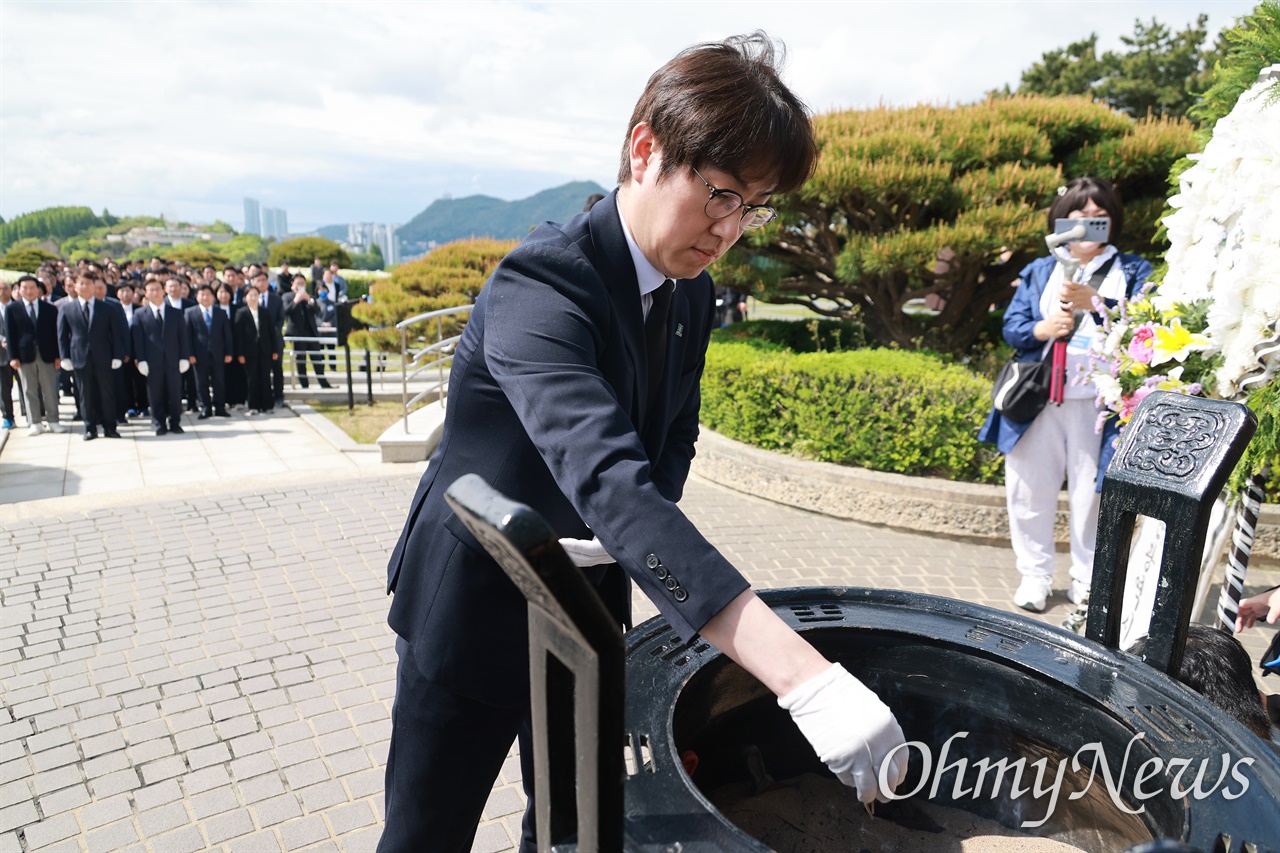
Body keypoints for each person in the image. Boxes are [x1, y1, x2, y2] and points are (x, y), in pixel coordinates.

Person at [378, 33, 906, 853]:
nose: (730, 229)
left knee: (574, 826)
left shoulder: (691, 291)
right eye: (721, 194)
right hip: (474, 606)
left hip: (587, 606)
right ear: (645, 148)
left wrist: (627, 534)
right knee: (426, 832)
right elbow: (607, 475)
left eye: (753, 207)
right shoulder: (541, 283)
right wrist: (802, 675)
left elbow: (672, 437)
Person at [978, 177, 1152, 613]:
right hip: (1040, 399)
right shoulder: (1042, 269)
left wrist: (1099, 303)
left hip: (1102, 405)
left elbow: (1150, 327)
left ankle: (1087, 579)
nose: (1090, 224)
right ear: (1062, 221)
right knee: (1027, 488)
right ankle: (1034, 575)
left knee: (1093, 496)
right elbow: (1013, 327)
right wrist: (1043, 328)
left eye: (1100, 217)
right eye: (1080, 217)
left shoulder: (1133, 270)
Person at [56, 269, 123, 440]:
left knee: (107, 393)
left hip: (103, 357)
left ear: (94, 286)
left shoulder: (107, 308)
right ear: (75, 286)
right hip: (79, 357)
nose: (85, 287)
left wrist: (117, 355)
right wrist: (64, 357)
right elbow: (62, 335)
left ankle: (110, 427)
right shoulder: (66, 308)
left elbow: (116, 334)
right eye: (81, 283)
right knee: (85, 395)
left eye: (88, 283)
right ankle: (89, 428)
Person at [5, 276, 67, 436]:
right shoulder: (12, 309)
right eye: (25, 288)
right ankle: (35, 422)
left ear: (38, 289)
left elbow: (56, 334)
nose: (29, 291)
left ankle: (53, 421)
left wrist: (58, 356)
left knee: (50, 389)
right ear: (19, 289)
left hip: (47, 354)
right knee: (29, 390)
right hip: (24, 355)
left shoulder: (49, 308)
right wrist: (13, 357)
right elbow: (10, 335)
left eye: (32, 287)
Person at [132, 278, 191, 436]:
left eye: (158, 289)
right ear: (146, 293)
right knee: (155, 394)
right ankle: (158, 423)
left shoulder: (175, 313)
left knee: (175, 393)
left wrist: (184, 357)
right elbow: (138, 339)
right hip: (152, 362)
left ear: (163, 290)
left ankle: (175, 423)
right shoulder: (139, 314)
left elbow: (183, 337)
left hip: (173, 360)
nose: (155, 292)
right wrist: (141, 359)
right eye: (151, 290)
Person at [186, 284, 233, 418]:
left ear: (213, 297)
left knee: (219, 381)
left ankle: (219, 407)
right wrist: (189, 354)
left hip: (218, 353)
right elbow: (187, 335)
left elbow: (227, 334)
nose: (205, 297)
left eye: (208, 294)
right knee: (201, 382)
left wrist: (229, 352)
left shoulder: (220, 313)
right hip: (198, 354)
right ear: (197, 297)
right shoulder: (190, 312)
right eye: (202, 294)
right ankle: (205, 407)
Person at [234, 284, 278, 414]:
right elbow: (238, 335)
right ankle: (253, 406)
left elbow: (272, 332)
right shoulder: (241, 313)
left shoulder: (265, 312)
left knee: (265, 377)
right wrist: (240, 353)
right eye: (250, 295)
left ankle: (267, 405)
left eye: (255, 295)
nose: (253, 298)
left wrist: (275, 350)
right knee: (252, 378)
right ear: (245, 297)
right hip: (249, 352)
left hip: (265, 350)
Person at [283, 274, 330, 389]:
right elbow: (285, 312)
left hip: (311, 333)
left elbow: (318, 311)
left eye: (302, 283)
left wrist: (309, 300)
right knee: (301, 361)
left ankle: (324, 383)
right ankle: (304, 385)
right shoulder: (287, 297)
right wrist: (296, 300)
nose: (300, 285)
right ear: (292, 284)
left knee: (317, 359)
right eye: (298, 283)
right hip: (297, 334)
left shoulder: (309, 297)